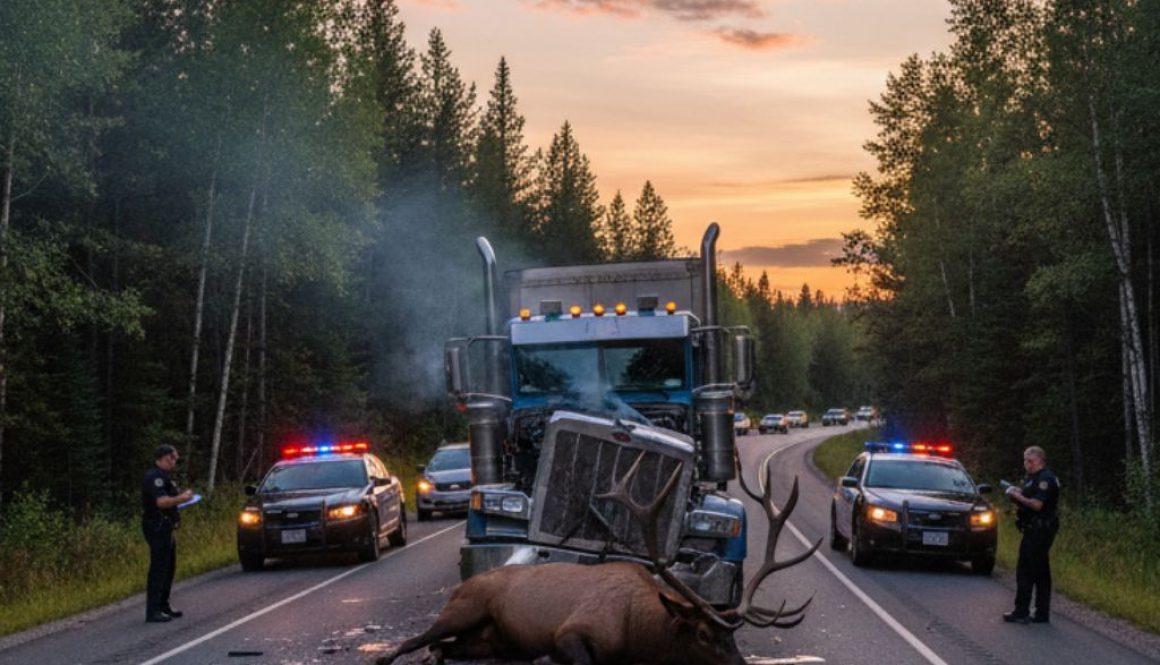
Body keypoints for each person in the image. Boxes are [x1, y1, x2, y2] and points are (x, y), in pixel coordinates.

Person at [1002, 446, 1060, 625]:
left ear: (1041, 460)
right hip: (1032, 529)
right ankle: (1042, 613)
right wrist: (1017, 493)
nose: (1027, 464)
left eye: (1030, 461)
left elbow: (1037, 505)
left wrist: (1017, 497)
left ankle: (1021, 611)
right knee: (1041, 571)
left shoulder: (1046, 478)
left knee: (1026, 570)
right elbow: (1028, 495)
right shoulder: (1032, 478)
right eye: (1025, 460)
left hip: (1040, 530)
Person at [142, 444, 194, 623]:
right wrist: (182, 498)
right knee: (158, 568)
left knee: (168, 567)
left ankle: (164, 604)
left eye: (175, 459)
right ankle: (153, 610)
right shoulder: (153, 477)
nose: (173, 462)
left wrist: (182, 498)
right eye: (170, 459)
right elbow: (161, 502)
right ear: (159, 459)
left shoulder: (165, 477)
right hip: (156, 525)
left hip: (166, 526)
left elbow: (171, 499)